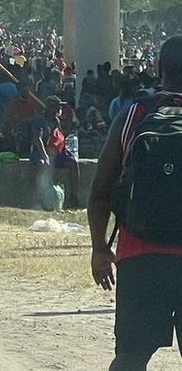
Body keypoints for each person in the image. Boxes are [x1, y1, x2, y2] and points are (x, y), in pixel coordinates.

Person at [89, 35, 182, 370]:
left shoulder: (132, 117)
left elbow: (100, 189)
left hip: (140, 256)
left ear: (157, 68)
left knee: (130, 358)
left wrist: (100, 247)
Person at [31, 95, 81, 209]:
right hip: (40, 151)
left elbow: (60, 137)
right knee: (42, 164)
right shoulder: (39, 120)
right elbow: (37, 139)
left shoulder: (56, 120)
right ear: (49, 107)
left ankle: (73, 197)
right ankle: (41, 197)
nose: (58, 110)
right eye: (56, 107)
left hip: (55, 153)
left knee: (73, 163)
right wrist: (45, 156)